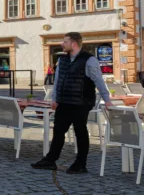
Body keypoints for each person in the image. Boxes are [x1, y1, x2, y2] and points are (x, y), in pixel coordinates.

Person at [32, 32, 112, 174]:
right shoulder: (62, 60)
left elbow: (99, 81)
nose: (62, 44)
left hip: (81, 102)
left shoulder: (89, 60)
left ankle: (81, 164)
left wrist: (107, 100)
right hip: (64, 102)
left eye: (65, 42)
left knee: (80, 131)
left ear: (74, 44)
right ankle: (50, 160)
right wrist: (54, 98)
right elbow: (58, 81)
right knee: (58, 130)